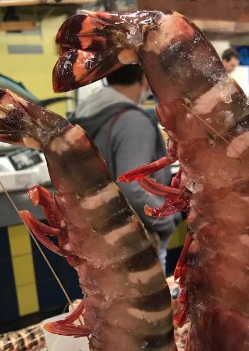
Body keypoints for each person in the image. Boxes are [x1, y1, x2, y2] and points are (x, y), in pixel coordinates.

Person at [71, 64, 180, 272]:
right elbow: (134, 186)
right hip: (136, 242)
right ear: (144, 78)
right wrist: (165, 220)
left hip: (100, 234)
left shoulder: (86, 112)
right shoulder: (133, 122)